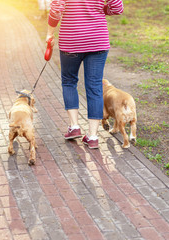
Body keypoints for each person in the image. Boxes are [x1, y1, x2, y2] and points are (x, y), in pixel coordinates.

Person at [46, 0, 124, 149]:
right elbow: (117, 7)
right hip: (97, 40)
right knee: (95, 86)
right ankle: (93, 136)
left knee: (69, 82)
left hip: (71, 41)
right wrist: (100, 9)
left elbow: (56, 9)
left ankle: (74, 127)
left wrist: (50, 33)